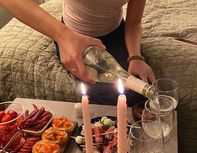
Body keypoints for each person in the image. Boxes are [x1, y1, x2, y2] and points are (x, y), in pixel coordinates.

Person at [0, 0, 156, 106]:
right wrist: (62, 36)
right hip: (72, 36)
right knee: (108, 97)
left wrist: (136, 57)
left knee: (139, 93)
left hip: (116, 33)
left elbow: (134, 22)